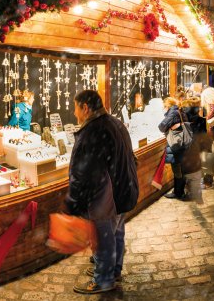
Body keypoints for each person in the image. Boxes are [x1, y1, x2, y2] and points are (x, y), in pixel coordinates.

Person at [67, 90, 138, 294]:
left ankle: (104, 280)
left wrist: (75, 200)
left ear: (85, 108)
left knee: (102, 239)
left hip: (105, 198)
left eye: (75, 108)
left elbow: (85, 172)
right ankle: (114, 271)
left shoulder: (93, 131)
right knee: (116, 234)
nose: (74, 113)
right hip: (123, 191)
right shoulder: (116, 123)